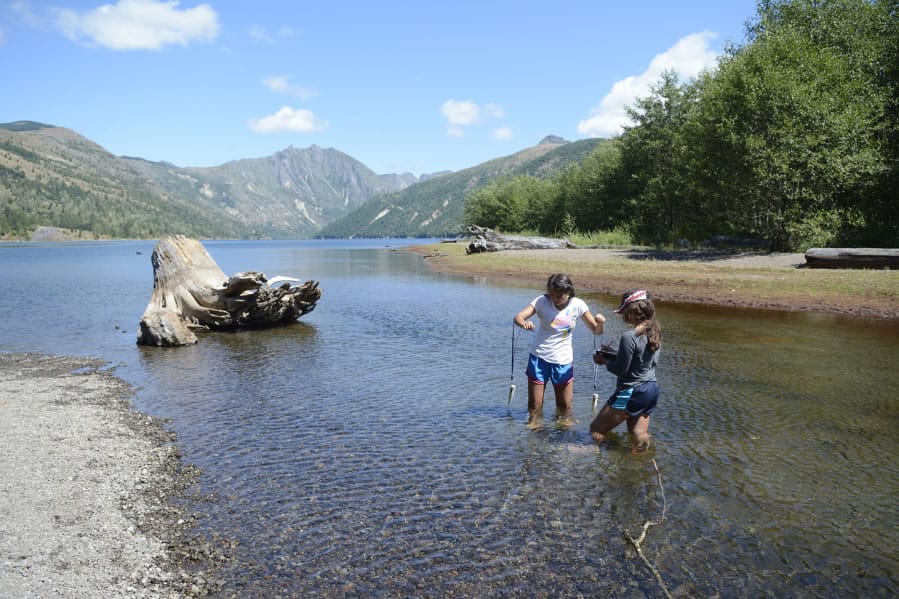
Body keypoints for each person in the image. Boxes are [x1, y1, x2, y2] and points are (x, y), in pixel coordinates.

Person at [513, 274, 605, 421]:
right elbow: (518, 317)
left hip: (563, 362)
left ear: (568, 292)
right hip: (538, 358)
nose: (554, 299)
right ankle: (534, 440)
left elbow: (596, 331)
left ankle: (563, 440)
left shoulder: (578, 305)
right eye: (552, 294)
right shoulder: (542, 301)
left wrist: (600, 322)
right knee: (534, 406)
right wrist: (524, 323)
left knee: (564, 408)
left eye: (559, 295)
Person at [590, 289, 661, 452]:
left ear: (633, 311)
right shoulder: (655, 330)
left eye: (625, 313)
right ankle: (639, 464)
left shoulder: (629, 336)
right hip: (650, 390)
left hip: (631, 391)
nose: (623, 317)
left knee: (597, 428)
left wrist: (603, 361)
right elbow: (642, 361)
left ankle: (590, 455)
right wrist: (614, 356)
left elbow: (621, 370)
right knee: (638, 433)